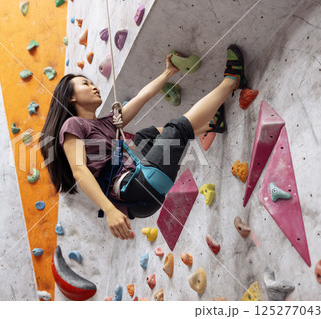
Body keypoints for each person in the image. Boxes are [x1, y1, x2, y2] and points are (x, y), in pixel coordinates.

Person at [40, 45, 246, 241]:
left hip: (142, 197)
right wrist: (110, 211)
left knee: (143, 136)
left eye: (92, 83)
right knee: (177, 128)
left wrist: (168, 73)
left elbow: (143, 96)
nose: (94, 87)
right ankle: (232, 81)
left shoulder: (108, 123)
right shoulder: (72, 124)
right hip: (136, 188)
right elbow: (79, 171)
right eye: (85, 84)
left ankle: (211, 124)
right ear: (71, 98)